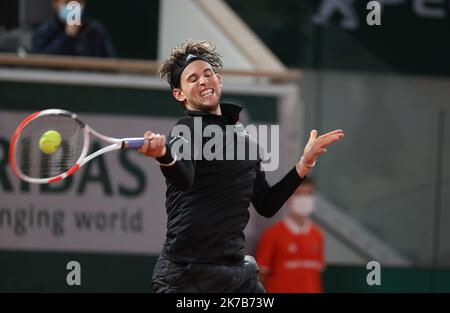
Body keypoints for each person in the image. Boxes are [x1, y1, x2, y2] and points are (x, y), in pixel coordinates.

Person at [138, 39, 344, 293]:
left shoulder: (246, 144)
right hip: (187, 275)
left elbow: (266, 204)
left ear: (219, 80)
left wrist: (305, 162)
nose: (203, 80)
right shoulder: (186, 130)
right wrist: (165, 156)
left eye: (207, 74)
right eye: (192, 79)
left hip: (235, 274)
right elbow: (184, 179)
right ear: (179, 94)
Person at [256, 177, 325, 293]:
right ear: (287, 197)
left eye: (308, 194)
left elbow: (315, 277)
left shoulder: (318, 235)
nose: (304, 199)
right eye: (298, 194)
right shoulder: (272, 234)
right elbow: (261, 277)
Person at [31, 0, 116, 57]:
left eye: (78, 2)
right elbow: (40, 64)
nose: (73, 7)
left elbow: (110, 63)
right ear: (56, 3)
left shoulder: (95, 32)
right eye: (68, 2)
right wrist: (67, 38)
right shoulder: (43, 33)